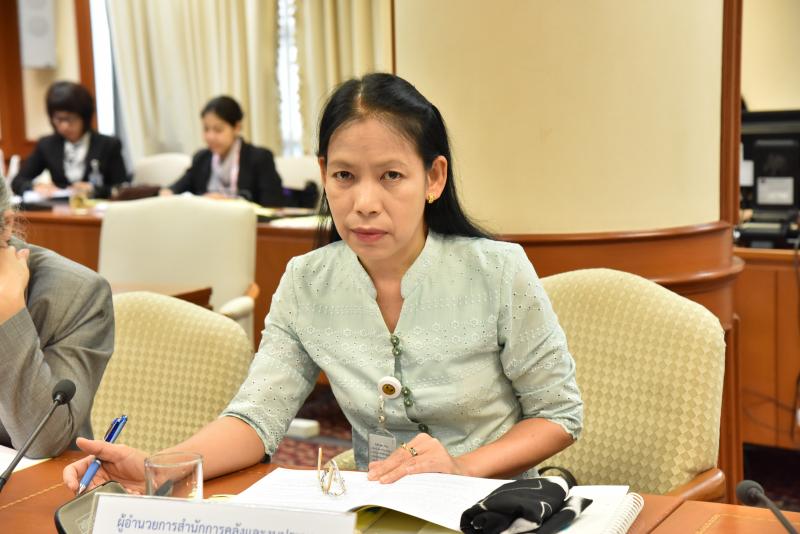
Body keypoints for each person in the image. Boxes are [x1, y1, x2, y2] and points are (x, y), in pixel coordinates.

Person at [63, 73, 582, 493]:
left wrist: (463, 467)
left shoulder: (497, 271)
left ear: (434, 178)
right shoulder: (307, 281)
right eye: (344, 176)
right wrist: (159, 466)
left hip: (490, 506)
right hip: (374, 507)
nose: (364, 203)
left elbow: (558, 414)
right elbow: (256, 417)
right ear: (323, 173)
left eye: (391, 175)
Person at [0, 179, 114, 458]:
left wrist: (8, 313)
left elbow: (42, 442)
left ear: (7, 225)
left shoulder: (75, 294)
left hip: (33, 477)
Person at [12, 81, 128, 199]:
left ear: (85, 117)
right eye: (58, 119)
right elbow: (17, 182)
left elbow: (122, 188)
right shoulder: (47, 145)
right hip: (60, 208)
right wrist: (35, 187)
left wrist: (94, 189)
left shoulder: (108, 145)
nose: (64, 126)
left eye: (71, 119)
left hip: (97, 208)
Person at [164, 96, 285, 207]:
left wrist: (226, 202)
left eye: (218, 130)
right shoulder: (201, 158)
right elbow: (174, 189)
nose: (210, 137)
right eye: (206, 129)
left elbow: (273, 205)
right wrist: (167, 194)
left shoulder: (259, 158)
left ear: (237, 127)